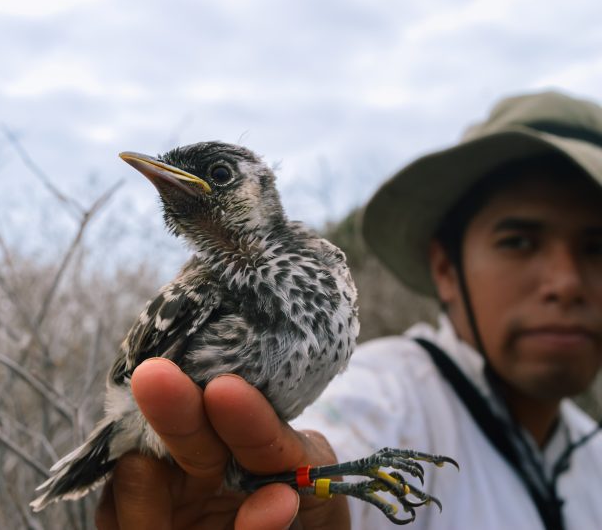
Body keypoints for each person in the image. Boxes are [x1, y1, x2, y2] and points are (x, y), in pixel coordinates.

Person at [95, 90, 602, 529]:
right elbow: (332, 433)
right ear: (445, 268)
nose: (565, 284)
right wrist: (322, 494)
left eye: (597, 248)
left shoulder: (593, 453)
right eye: (519, 241)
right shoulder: (387, 398)